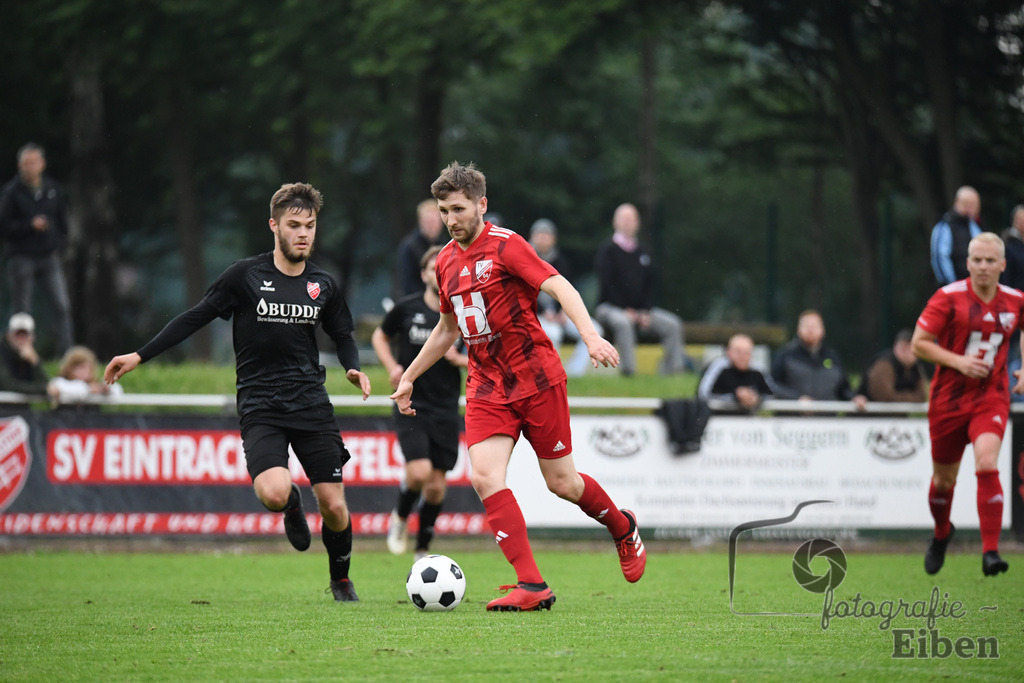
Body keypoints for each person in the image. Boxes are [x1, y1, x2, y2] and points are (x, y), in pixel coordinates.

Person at [391, 162, 646, 612]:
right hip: (487, 385)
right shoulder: (446, 262)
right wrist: (410, 375)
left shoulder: (507, 247)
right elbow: (447, 329)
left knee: (563, 483)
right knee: (485, 476)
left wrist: (589, 335)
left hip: (537, 379)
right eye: (444, 209)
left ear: (481, 205)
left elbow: (559, 286)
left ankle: (622, 527)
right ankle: (531, 584)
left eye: (458, 208)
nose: (451, 219)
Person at [104, 183, 371, 601]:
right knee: (273, 493)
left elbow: (343, 333)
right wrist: (140, 355)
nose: (304, 233)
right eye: (294, 225)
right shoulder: (245, 276)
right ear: (274, 226)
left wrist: (353, 366)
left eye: (311, 226)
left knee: (336, 508)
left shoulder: (323, 284)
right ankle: (291, 504)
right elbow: (195, 317)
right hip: (261, 404)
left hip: (311, 404)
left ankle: (340, 580)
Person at [911, 232, 1019, 578]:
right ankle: (942, 533)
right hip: (948, 400)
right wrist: (958, 362)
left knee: (987, 462)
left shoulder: (1015, 300)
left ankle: (990, 551)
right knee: (944, 481)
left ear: (1003, 265)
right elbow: (919, 344)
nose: (984, 267)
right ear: (968, 263)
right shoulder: (947, 298)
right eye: (977, 260)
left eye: (991, 261)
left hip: (991, 395)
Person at [371, 245, 467, 560]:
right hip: (410, 404)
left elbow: (482, 352)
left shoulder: (462, 312)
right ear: (425, 274)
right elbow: (379, 336)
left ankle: (422, 548)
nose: (437, 273)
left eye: (444, 267)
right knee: (418, 472)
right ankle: (399, 518)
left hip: (445, 406)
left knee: (437, 487)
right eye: (431, 268)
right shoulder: (407, 308)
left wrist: (460, 360)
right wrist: (393, 368)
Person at [593, 204, 684, 376]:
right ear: (615, 222)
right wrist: (626, 310)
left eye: (632, 219)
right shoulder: (607, 250)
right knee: (623, 322)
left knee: (673, 324)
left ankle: (675, 373)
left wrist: (645, 311)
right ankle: (629, 372)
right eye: (625, 219)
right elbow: (606, 284)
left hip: (640, 312)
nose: (629, 223)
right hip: (610, 308)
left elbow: (651, 285)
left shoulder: (643, 252)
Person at [0, 143, 74, 354]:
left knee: (61, 306)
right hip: (21, 256)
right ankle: (19, 355)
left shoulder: (52, 189)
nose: (28, 167)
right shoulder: (11, 192)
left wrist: (58, 244)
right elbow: (4, 226)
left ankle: (68, 357)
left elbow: (62, 222)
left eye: (32, 163)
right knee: (22, 312)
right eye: (24, 164)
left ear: (42, 164)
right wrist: (29, 225)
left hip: (48, 256)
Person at [529, 218, 599, 377]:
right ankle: (553, 375)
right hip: (535, 313)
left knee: (594, 330)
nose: (543, 238)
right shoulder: (526, 258)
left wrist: (561, 310)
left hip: (559, 313)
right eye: (540, 234)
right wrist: (545, 311)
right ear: (532, 236)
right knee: (553, 334)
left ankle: (574, 373)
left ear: (554, 238)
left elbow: (568, 288)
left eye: (547, 235)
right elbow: (524, 290)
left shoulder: (561, 261)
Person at [770, 309, 867, 409]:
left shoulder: (832, 357)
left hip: (826, 420)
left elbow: (843, 389)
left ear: (823, 330)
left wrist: (854, 398)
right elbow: (773, 385)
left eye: (815, 326)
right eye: (806, 326)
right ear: (798, 330)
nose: (811, 330)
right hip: (794, 420)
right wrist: (796, 399)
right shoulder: (786, 356)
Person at [697, 333, 774, 411]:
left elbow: (771, 393)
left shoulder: (757, 371)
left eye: (746, 352)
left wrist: (756, 398)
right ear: (728, 352)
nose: (742, 356)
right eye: (738, 352)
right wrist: (735, 397)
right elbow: (703, 394)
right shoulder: (719, 368)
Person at [930, 185, 982, 286]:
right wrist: (951, 284)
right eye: (967, 203)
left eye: (974, 204)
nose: (970, 207)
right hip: (954, 286)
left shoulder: (976, 226)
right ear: (957, 202)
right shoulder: (945, 226)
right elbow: (940, 257)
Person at [858, 329, 928, 403]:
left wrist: (900, 398)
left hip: (894, 414)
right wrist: (911, 398)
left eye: (911, 348)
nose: (908, 352)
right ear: (896, 347)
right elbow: (884, 397)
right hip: (870, 414)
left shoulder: (915, 367)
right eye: (904, 348)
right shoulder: (884, 364)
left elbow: (922, 397)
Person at [396, 199, 447, 297]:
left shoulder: (446, 245)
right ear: (420, 222)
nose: (431, 226)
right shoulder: (409, 247)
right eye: (428, 222)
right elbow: (407, 282)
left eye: (434, 221)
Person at [0, 313, 56, 397]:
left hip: (21, 408)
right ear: (9, 336)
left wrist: (35, 362)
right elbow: (8, 385)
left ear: (32, 337)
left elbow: (45, 383)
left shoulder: (31, 357)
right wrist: (43, 390)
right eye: (17, 335)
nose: (21, 340)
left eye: (25, 335)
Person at [49, 345, 124, 404]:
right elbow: (59, 389)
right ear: (69, 369)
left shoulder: (97, 384)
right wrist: (89, 390)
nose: (82, 372)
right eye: (78, 368)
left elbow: (118, 390)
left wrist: (105, 389)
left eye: (85, 368)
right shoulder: (58, 382)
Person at [999, 205, 1024, 291]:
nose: (1022, 222)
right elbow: (1006, 277)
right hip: (1016, 296)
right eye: (1019, 219)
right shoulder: (1008, 244)